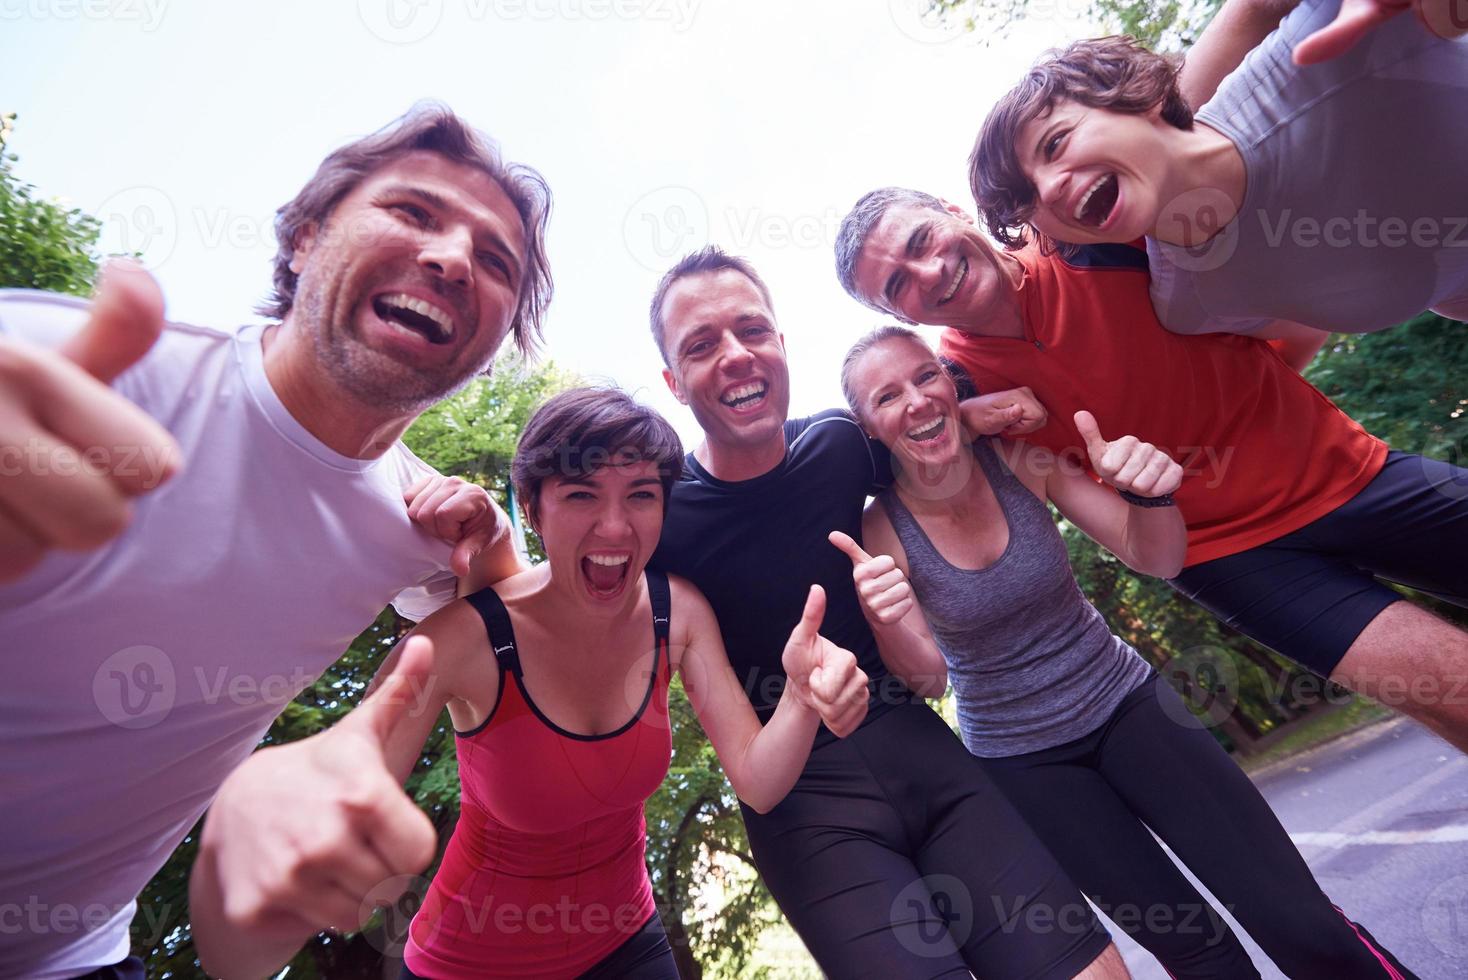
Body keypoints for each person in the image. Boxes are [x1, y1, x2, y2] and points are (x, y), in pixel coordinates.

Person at [0, 103, 551, 980]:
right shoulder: (72, 369)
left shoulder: (419, 514)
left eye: (496, 261)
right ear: (302, 238)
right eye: (411, 213)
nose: (451, 258)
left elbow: (514, 626)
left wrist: (487, 545)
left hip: (73, 958)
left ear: (494, 344)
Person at [188, 386, 872, 978]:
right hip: (467, 962)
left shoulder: (676, 611)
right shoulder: (464, 639)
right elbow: (328, 818)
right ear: (532, 506)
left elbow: (756, 777)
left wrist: (800, 696)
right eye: (581, 494)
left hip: (627, 943)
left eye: (641, 495)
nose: (615, 525)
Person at [839, 324, 1419, 979]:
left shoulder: (1019, 460)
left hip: (1129, 706)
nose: (916, 400)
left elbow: (1154, 553)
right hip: (1024, 763)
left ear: (950, 383)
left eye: (925, 377)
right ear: (866, 428)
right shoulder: (880, 529)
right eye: (887, 397)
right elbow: (927, 679)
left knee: (1296, 917)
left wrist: (1150, 495)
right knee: (1198, 953)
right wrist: (885, 621)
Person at [836, 184, 1468, 753]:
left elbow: (1278, 283)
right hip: (1227, 557)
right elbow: (882, 457)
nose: (928, 272)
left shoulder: (1086, 235)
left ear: (951, 210)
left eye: (922, 241)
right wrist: (969, 416)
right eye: (896, 285)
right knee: (1446, 688)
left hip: (1343, 471)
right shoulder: (951, 386)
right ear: (900, 316)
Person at [645, 246, 1132, 979]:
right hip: (805, 812)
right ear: (672, 382)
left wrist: (979, 410)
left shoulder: (839, 444)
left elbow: (920, 439)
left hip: (921, 751)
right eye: (702, 345)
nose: (736, 356)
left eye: (752, 331)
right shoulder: (660, 518)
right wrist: (480, 547)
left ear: (781, 344)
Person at [970, 0, 1468, 338]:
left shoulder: (1326, 42)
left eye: (1055, 144)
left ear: (1131, 95)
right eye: (1027, 201)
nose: (1050, 189)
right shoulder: (1191, 304)